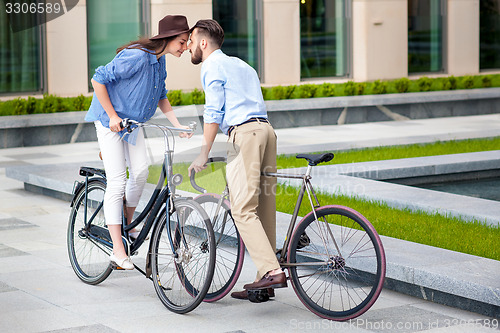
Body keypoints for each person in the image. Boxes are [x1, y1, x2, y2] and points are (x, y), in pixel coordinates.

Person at [187, 19, 286, 300]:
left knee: (242, 209)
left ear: (203, 43)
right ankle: (263, 282)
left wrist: (203, 153)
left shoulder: (211, 66)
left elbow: (213, 113)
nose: (190, 46)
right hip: (267, 131)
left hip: (244, 135)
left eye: (192, 41)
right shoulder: (243, 65)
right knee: (263, 208)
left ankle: (270, 271)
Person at [85, 15, 192, 270]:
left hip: (133, 125)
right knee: (118, 181)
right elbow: (98, 79)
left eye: (187, 42)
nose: (185, 47)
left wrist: (176, 124)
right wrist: (112, 116)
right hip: (109, 120)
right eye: (182, 41)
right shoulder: (136, 56)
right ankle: (118, 251)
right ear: (167, 38)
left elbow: (161, 94)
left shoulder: (160, 60)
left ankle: (127, 225)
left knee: (142, 172)